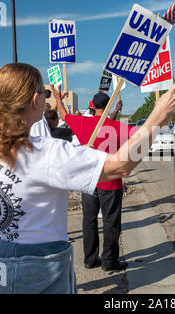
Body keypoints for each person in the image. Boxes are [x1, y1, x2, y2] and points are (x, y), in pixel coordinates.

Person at [0, 62, 175, 293]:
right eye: (44, 95)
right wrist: (156, 120)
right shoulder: (47, 152)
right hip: (41, 267)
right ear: (35, 100)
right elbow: (120, 167)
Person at [54, 91, 133, 272]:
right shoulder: (117, 126)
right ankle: (109, 261)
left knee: (89, 220)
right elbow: (141, 136)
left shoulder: (82, 122)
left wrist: (58, 99)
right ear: (108, 106)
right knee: (110, 221)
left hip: (88, 180)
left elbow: (63, 114)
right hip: (111, 181)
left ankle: (90, 259)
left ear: (93, 106)